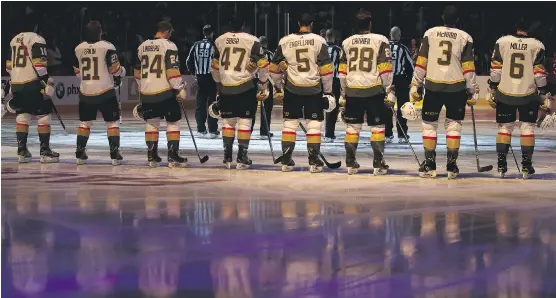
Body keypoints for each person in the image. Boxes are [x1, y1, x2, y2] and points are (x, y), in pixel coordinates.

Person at [410, 5, 479, 179]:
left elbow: (421, 61)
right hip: (456, 87)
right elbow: (468, 68)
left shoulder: (430, 33)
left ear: (442, 17)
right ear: (457, 19)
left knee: (429, 125)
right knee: (454, 125)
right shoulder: (465, 37)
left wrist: (415, 84)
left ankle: (430, 165)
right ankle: (451, 166)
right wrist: (472, 90)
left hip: (433, 86)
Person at [270, 13, 336, 173]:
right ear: (311, 24)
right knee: (314, 125)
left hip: (292, 88)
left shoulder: (285, 41)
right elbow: (326, 69)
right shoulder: (319, 41)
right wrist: (328, 91)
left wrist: (278, 88)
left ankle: (286, 159)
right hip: (313, 88)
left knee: (289, 124)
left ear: (298, 22)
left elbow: (273, 68)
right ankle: (314, 161)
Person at [487, 18, 550, 179]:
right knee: (527, 128)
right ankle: (526, 167)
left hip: (505, 92)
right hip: (528, 94)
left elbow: (495, 70)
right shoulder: (537, 45)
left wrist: (492, 88)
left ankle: (501, 167)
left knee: (504, 129)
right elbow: (539, 73)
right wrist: (543, 94)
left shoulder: (502, 42)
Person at [209, 14, 270, 169]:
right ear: (244, 26)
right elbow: (263, 65)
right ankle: (242, 158)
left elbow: (214, 67)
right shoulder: (252, 40)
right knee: (245, 121)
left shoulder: (219, 40)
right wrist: (263, 84)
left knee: (227, 122)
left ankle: (227, 157)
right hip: (245, 86)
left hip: (226, 87)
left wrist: (219, 82)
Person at [338, 10, 395, 175]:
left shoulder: (346, 42)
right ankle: (378, 163)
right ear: (370, 24)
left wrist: (343, 93)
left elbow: (342, 72)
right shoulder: (381, 40)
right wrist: (388, 90)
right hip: (374, 90)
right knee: (377, 127)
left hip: (353, 90)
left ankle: (350, 162)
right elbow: (385, 69)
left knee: (352, 127)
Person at [134, 20, 188, 168]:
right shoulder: (169, 45)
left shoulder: (142, 47)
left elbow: (137, 73)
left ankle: (152, 156)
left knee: (152, 122)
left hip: (147, 92)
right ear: (167, 31)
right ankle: (172, 155)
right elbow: (172, 71)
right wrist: (179, 87)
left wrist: (142, 88)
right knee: (173, 122)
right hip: (164, 92)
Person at [73, 21, 126, 166]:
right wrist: (122, 72)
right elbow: (114, 69)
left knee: (85, 123)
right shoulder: (107, 46)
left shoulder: (78, 49)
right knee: (112, 122)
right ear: (100, 32)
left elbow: (77, 72)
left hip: (85, 91)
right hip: (105, 91)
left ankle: (80, 152)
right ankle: (114, 154)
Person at [5, 24, 59, 163]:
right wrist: (47, 83)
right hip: (32, 83)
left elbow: (9, 67)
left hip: (17, 84)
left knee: (22, 114)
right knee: (44, 113)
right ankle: (45, 151)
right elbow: (40, 67)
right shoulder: (37, 39)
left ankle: (22, 151)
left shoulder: (14, 40)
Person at [186, 24, 219, 138]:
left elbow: (188, 61)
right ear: (212, 33)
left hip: (200, 77)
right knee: (212, 103)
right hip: (211, 77)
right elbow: (218, 63)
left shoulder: (196, 45)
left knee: (200, 103)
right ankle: (213, 129)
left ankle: (201, 128)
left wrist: (194, 73)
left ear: (203, 33)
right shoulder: (214, 45)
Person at [387, 26, 414, 144]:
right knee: (403, 108)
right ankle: (402, 135)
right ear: (399, 35)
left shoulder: (384, 47)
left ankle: (387, 134)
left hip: (387, 79)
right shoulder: (402, 48)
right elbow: (410, 66)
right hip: (400, 79)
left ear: (390, 35)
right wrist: (409, 82)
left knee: (387, 107)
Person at [250, 35, 275, 139]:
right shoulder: (269, 54)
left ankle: (248, 130)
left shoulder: (252, 55)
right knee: (267, 107)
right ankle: (264, 131)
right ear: (266, 44)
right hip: (266, 82)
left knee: (251, 107)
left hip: (253, 83)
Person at [324, 29, 342, 143]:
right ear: (334, 38)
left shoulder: (321, 48)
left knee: (321, 105)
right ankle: (329, 134)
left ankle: (315, 132)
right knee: (332, 106)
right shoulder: (338, 50)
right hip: (334, 80)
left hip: (321, 80)